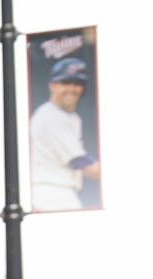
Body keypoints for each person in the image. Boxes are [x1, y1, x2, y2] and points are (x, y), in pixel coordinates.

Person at [29, 56, 99, 211]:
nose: (72, 89)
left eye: (77, 84)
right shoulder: (50, 115)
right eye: (65, 83)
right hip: (50, 193)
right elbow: (80, 162)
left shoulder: (70, 116)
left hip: (59, 192)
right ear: (52, 85)